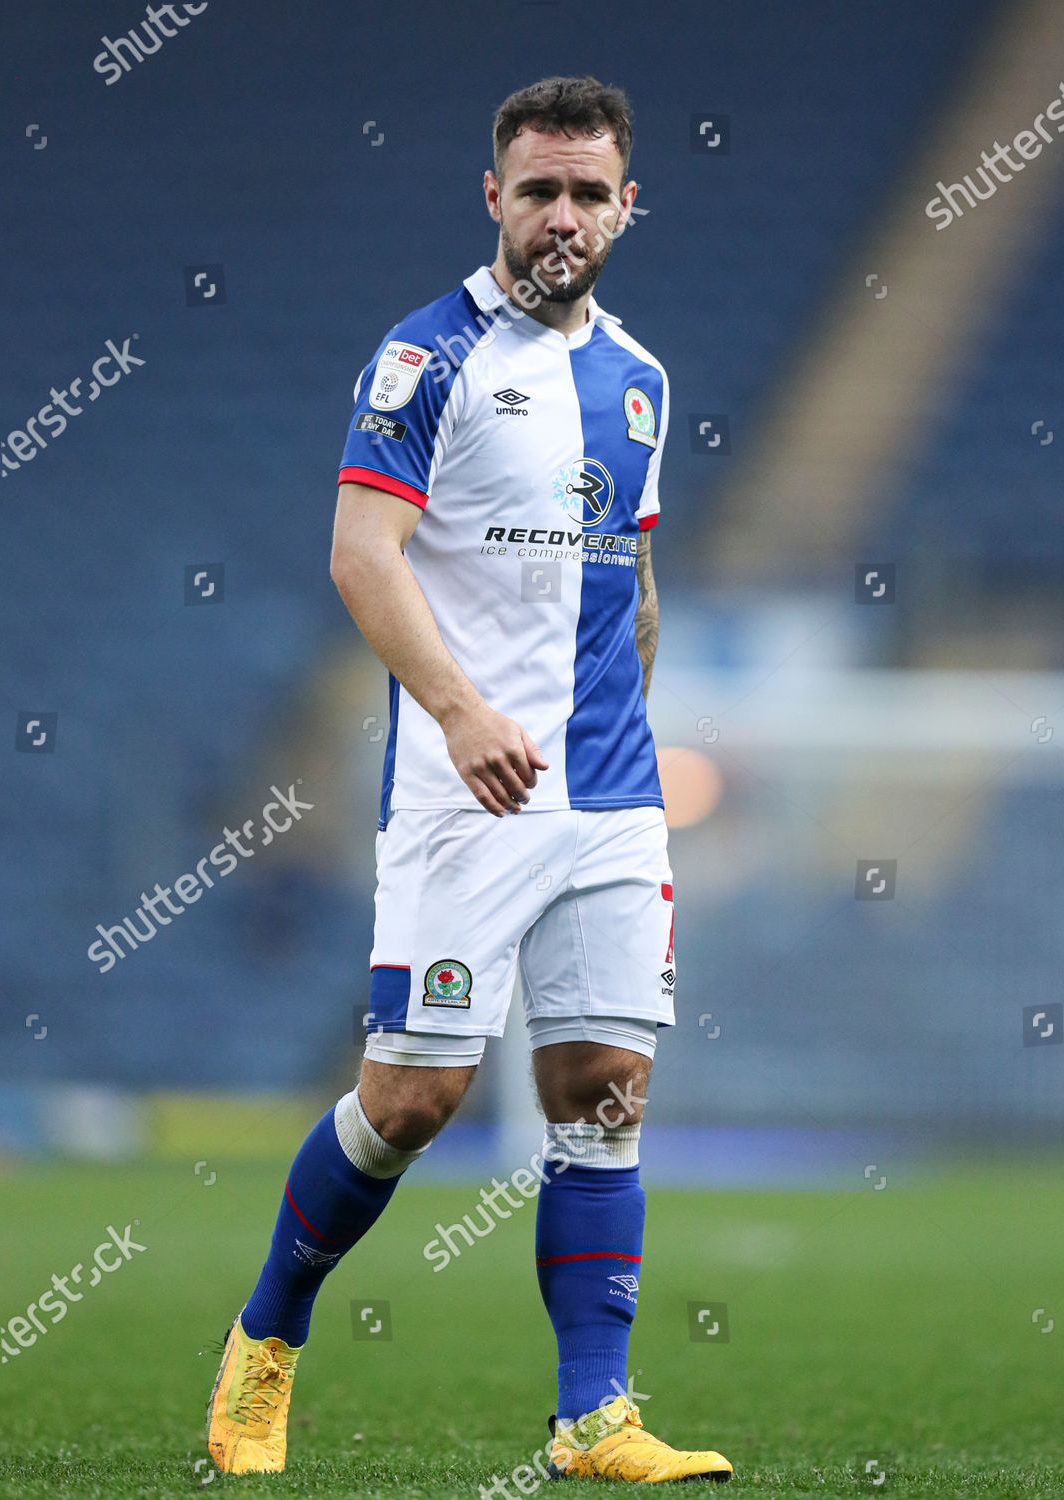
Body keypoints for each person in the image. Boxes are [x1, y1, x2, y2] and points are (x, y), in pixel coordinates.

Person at [206, 73, 732, 1485]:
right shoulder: (421, 359)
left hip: (608, 799)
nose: (561, 215)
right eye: (537, 189)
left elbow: (630, 573)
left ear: (628, 206)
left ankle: (594, 1416)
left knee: (603, 1087)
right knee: (411, 1104)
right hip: (465, 793)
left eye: (587, 191)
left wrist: (632, 714)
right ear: (491, 198)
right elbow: (359, 558)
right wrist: (457, 711)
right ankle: (267, 1337)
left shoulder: (639, 378)